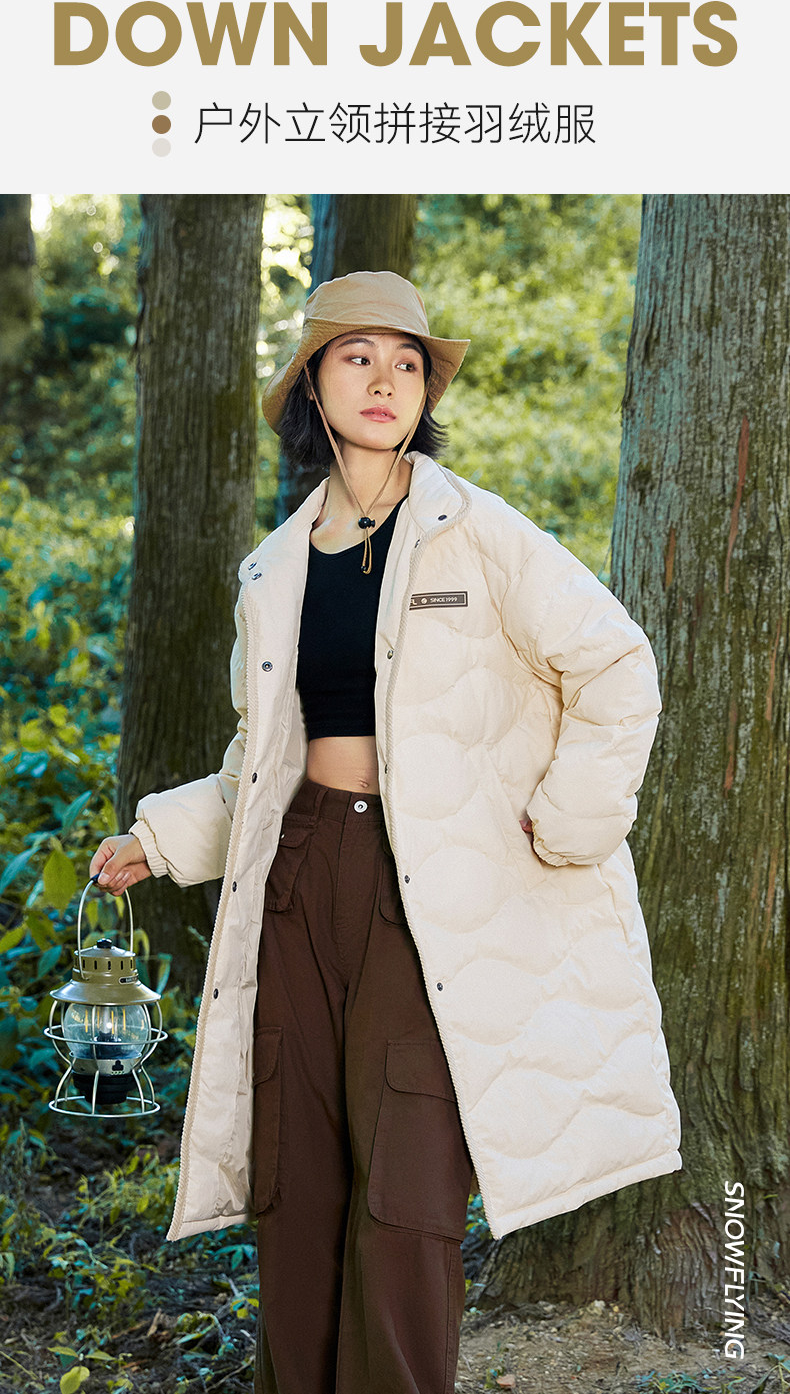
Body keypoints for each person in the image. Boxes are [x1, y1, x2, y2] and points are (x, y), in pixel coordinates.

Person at [91, 270, 681, 1394]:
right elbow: (258, 758)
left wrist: (570, 818)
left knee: (407, 1191)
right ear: (310, 385)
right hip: (300, 871)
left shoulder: (477, 531)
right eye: (357, 356)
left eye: (407, 362)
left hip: (429, 888)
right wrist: (158, 841)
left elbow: (616, 664)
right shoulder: (271, 567)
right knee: (296, 1183)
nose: (385, 379)